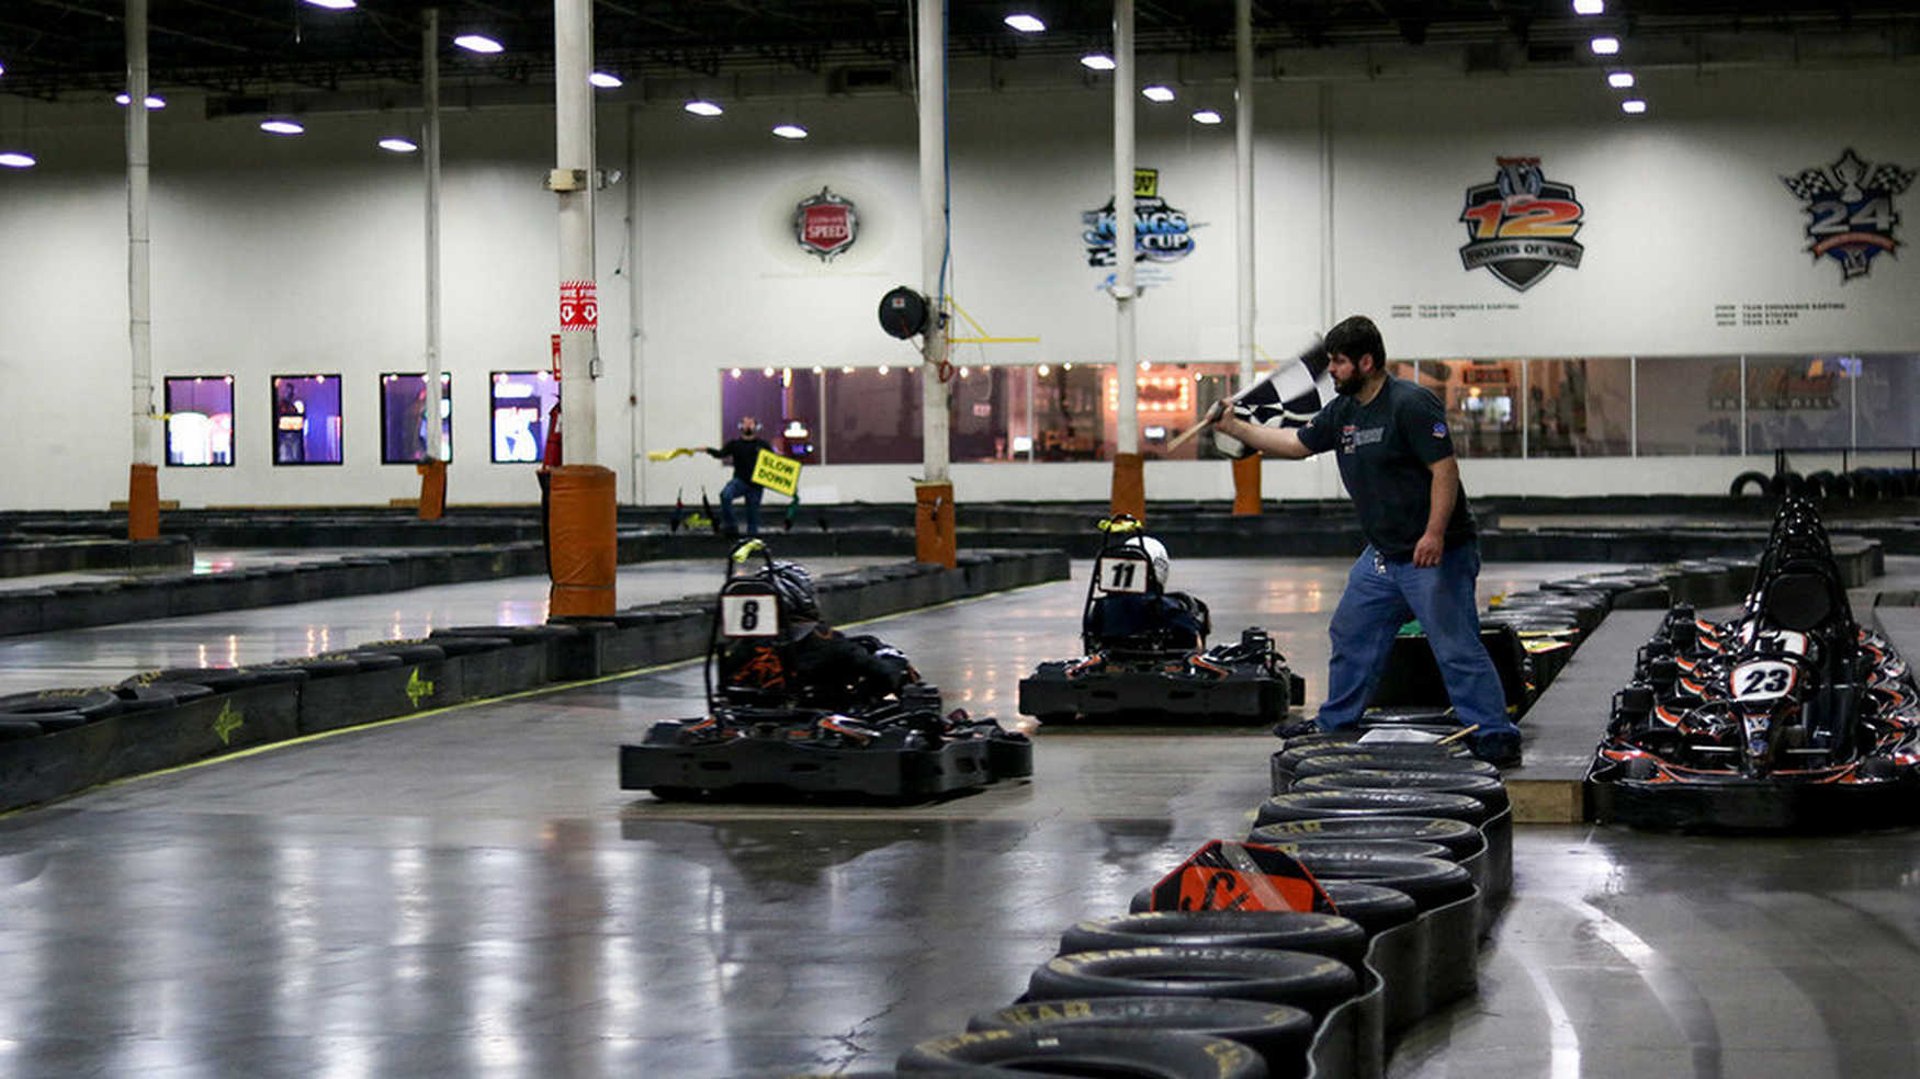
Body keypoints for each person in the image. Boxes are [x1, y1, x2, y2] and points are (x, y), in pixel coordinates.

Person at [1205, 314, 1523, 767]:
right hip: (1383, 556)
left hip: (1435, 552)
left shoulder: (1411, 404)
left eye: (1338, 362)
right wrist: (1236, 429)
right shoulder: (1344, 411)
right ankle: (1337, 722)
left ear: (1367, 361)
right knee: (1351, 631)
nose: (1330, 370)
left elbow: (1444, 471)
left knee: (1453, 643)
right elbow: (1296, 444)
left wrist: (1433, 534)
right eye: (1330, 361)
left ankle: (1495, 734)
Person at [721, 559, 916, 712]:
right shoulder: (826, 643)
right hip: (817, 727)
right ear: (801, 596)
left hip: (752, 722)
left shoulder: (740, 648)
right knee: (897, 667)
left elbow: (727, 691)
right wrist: (893, 661)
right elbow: (885, 675)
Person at [705, 417, 774, 536]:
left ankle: (751, 547)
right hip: (740, 481)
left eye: (751, 423)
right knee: (725, 495)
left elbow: (775, 464)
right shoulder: (734, 444)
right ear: (740, 426)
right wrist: (707, 450)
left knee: (752, 521)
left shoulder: (763, 445)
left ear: (756, 426)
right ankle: (731, 526)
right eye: (745, 423)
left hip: (756, 485)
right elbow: (721, 454)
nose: (748, 426)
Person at [274, 383, 306, 464]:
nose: (290, 394)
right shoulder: (280, 405)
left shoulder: (293, 407)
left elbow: (299, 419)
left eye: (291, 392)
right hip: (282, 437)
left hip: (294, 437)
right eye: (288, 392)